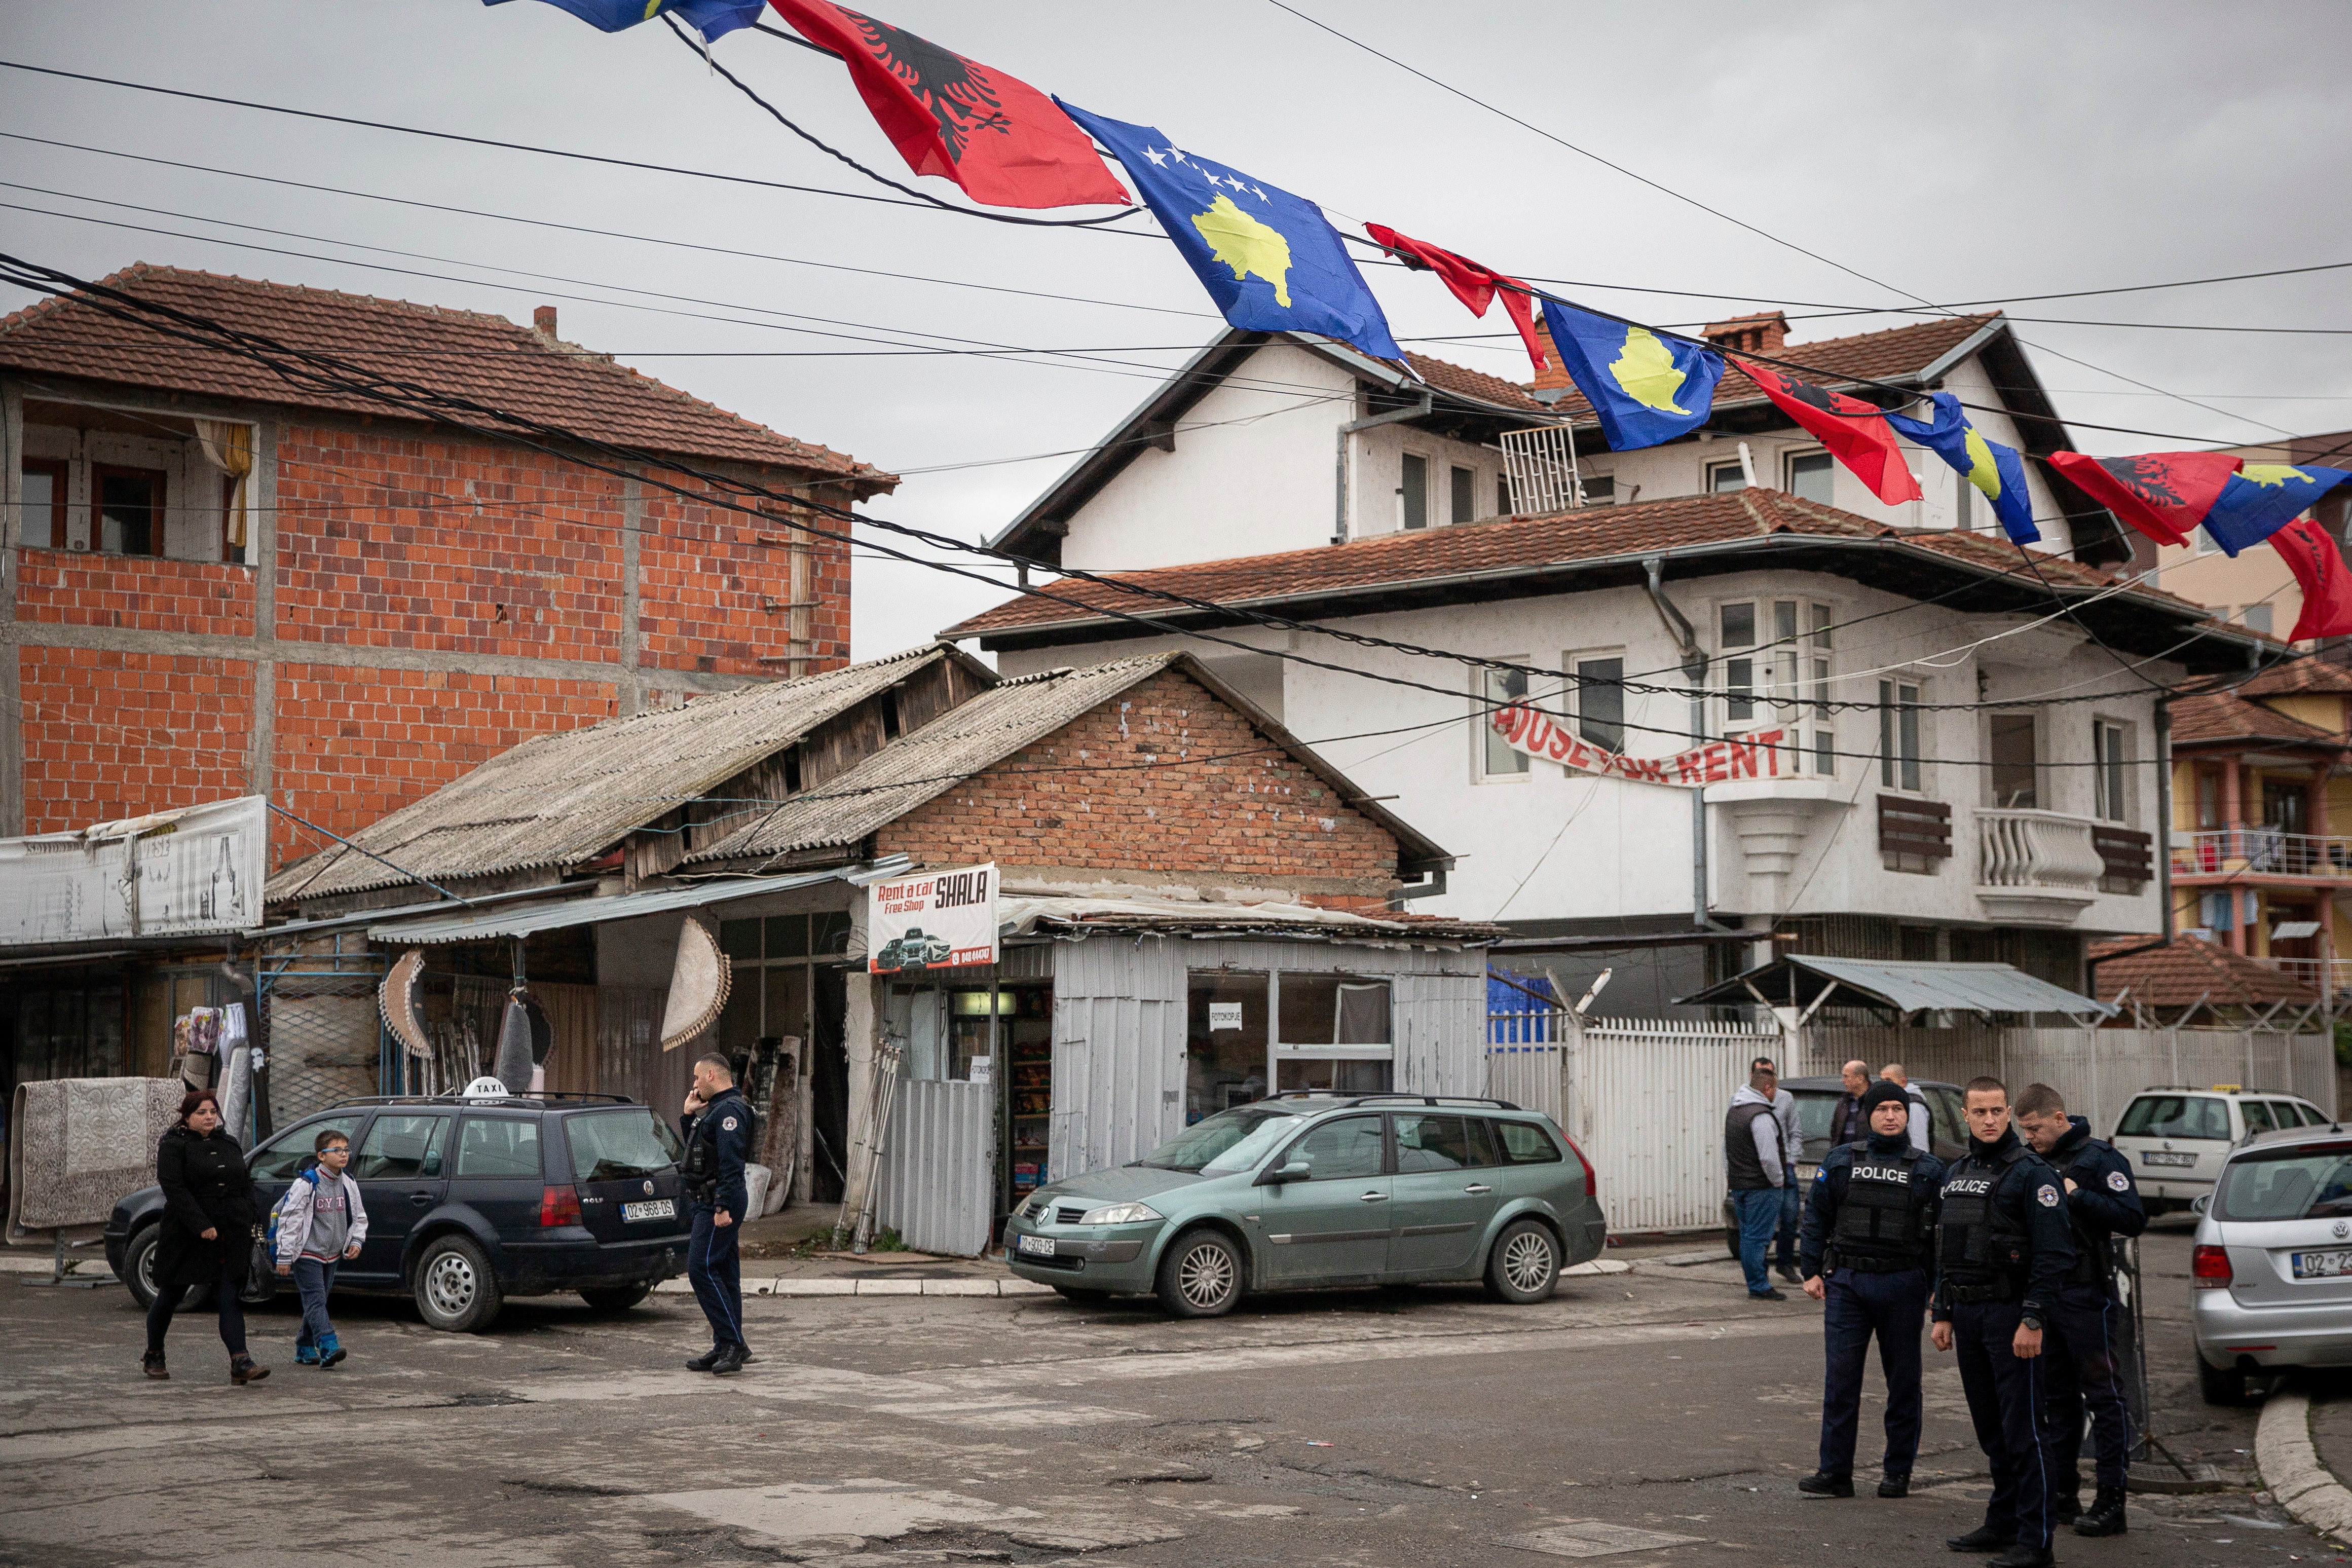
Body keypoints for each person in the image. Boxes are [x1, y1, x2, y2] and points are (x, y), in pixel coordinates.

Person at [1931, 1077, 2073, 1568]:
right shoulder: (1959, 1171)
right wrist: (1943, 1311)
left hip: (2012, 1315)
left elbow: (2055, 1255)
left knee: (2025, 1430)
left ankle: (2036, 1541)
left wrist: (2033, 1317)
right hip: (1967, 1314)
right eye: (1980, 1112)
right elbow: (1945, 1246)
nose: (1989, 1119)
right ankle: (2004, 1520)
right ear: (1966, 1116)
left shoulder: (2033, 1173)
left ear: (2009, 1111)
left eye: (1997, 1111)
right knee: (1991, 1428)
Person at [1797, 1080, 1945, 1500]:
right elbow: (1816, 1219)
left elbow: (1941, 1235)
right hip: (1848, 1284)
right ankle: (1835, 1473)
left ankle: (1897, 1472)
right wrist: (1811, 1270)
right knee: (1840, 1381)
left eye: (1897, 1109)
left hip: (1902, 1283)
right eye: (1882, 1109)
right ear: (1868, 1114)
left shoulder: (1928, 1169)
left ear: (1906, 1115)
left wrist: (1937, 1288)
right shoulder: (1841, 1161)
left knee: (1903, 1383)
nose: (1890, 1116)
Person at [2014, 1082, 2145, 1538]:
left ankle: (2111, 1501)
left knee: (2104, 1397)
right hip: (2047, 1296)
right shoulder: (2031, 1161)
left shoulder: (2099, 1159)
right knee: (2056, 1400)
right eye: (2023, 1130)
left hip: (2088, 1294)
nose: (2029, 1137)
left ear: (2058, 1118)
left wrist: (2077, 1195)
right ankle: (2063, 1494)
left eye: (2034, 1129)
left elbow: (2132, 1219)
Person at [143, 1090, 269, 1385]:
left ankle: (240, 1361)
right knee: (172, 1295)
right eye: (202, 1113)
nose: (209, 1117)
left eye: (213, 1112)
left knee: (229, 1296)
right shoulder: (174, 1145)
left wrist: (249, 1214)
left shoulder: (229, 1141)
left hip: (231, 1232)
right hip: (187, 1233)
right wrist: (201, 1224)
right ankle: (154, 1354)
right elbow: (173, 1188)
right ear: (187, 1117)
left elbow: (244, 1182)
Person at [681, 1053, 754, 1375]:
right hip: (709, 1199)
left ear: (711, 1075)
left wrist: (722, 1206)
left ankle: (732, 1343)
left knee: (700, 1269)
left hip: (718, 1202)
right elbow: (698, 1154)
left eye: (697, 1078)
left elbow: (731, 1163)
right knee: (724, 1274)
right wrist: (688, 1116)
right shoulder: (714, 1110)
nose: (694, 1085)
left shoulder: (730, 1111)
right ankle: (727, 1344)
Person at [273, 1127, 368, 1369]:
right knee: (315, 1300)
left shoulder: (348, 1182)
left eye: (346, 1150)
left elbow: (358, 1215)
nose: (344, 1155)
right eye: (336, 1150)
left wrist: (356, 1240)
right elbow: (290, 1219)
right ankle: (328, 1345)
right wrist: (284, 1256)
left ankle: (304, 1347)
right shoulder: (307, 1184)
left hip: (332, 1254)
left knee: (319, 1301)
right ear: (321, 1156)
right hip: (307, 1254)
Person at [1726, 1059, 1790, 1302]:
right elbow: (1769, 1158)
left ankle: (1756, 1282)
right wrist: (1778, 1181)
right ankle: (1759, 1286)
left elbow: (1727, 1150)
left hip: (1740, 1184)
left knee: (1747, 1235)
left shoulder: (1735, 1111)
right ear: (1768, 1089)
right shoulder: (1760, 1116)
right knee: (1758, 1238)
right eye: (1775, 1090)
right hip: (1761, 1187)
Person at [1881, 1063, 1933, 1153]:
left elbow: (1919, 1144)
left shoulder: (1914, 1105)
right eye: (1883, 1081)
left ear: (1903, 1082)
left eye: (1889, 1080)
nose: (1885, 1085)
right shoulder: (1896, 1101)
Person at [1828, 1060, 1872, 1148]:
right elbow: (1835, 1132)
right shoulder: (1843, 1102)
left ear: (1860, 1079)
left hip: (1866, 1158)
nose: (1843, 1081)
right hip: (1843, 1157)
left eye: (1846, 1076)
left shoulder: (1875, 1100)